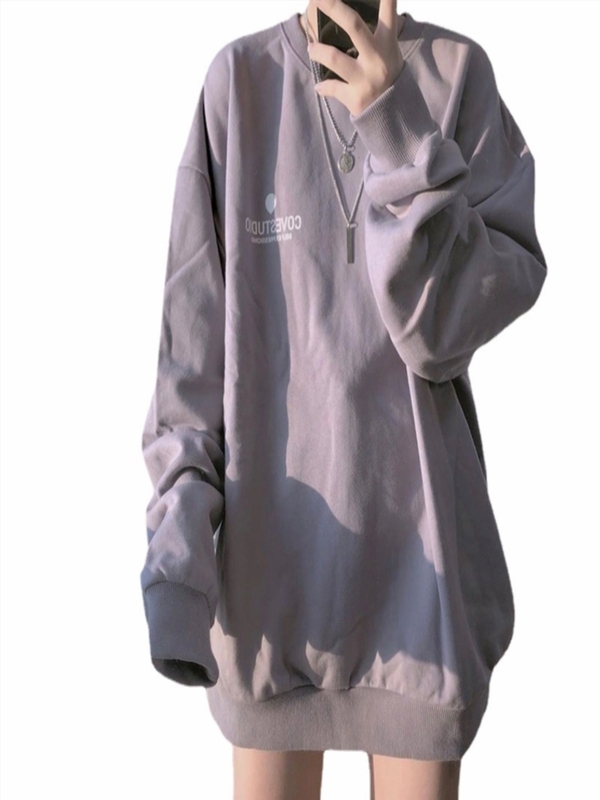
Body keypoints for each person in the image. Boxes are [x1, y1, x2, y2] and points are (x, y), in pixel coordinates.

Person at [139, 0, 548, 798]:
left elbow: (441, 334)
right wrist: (177, 569)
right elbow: (189, 357)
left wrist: (395, 123)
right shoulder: (239, 84)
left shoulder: (458, 76)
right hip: (268, 601)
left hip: (424, 601)